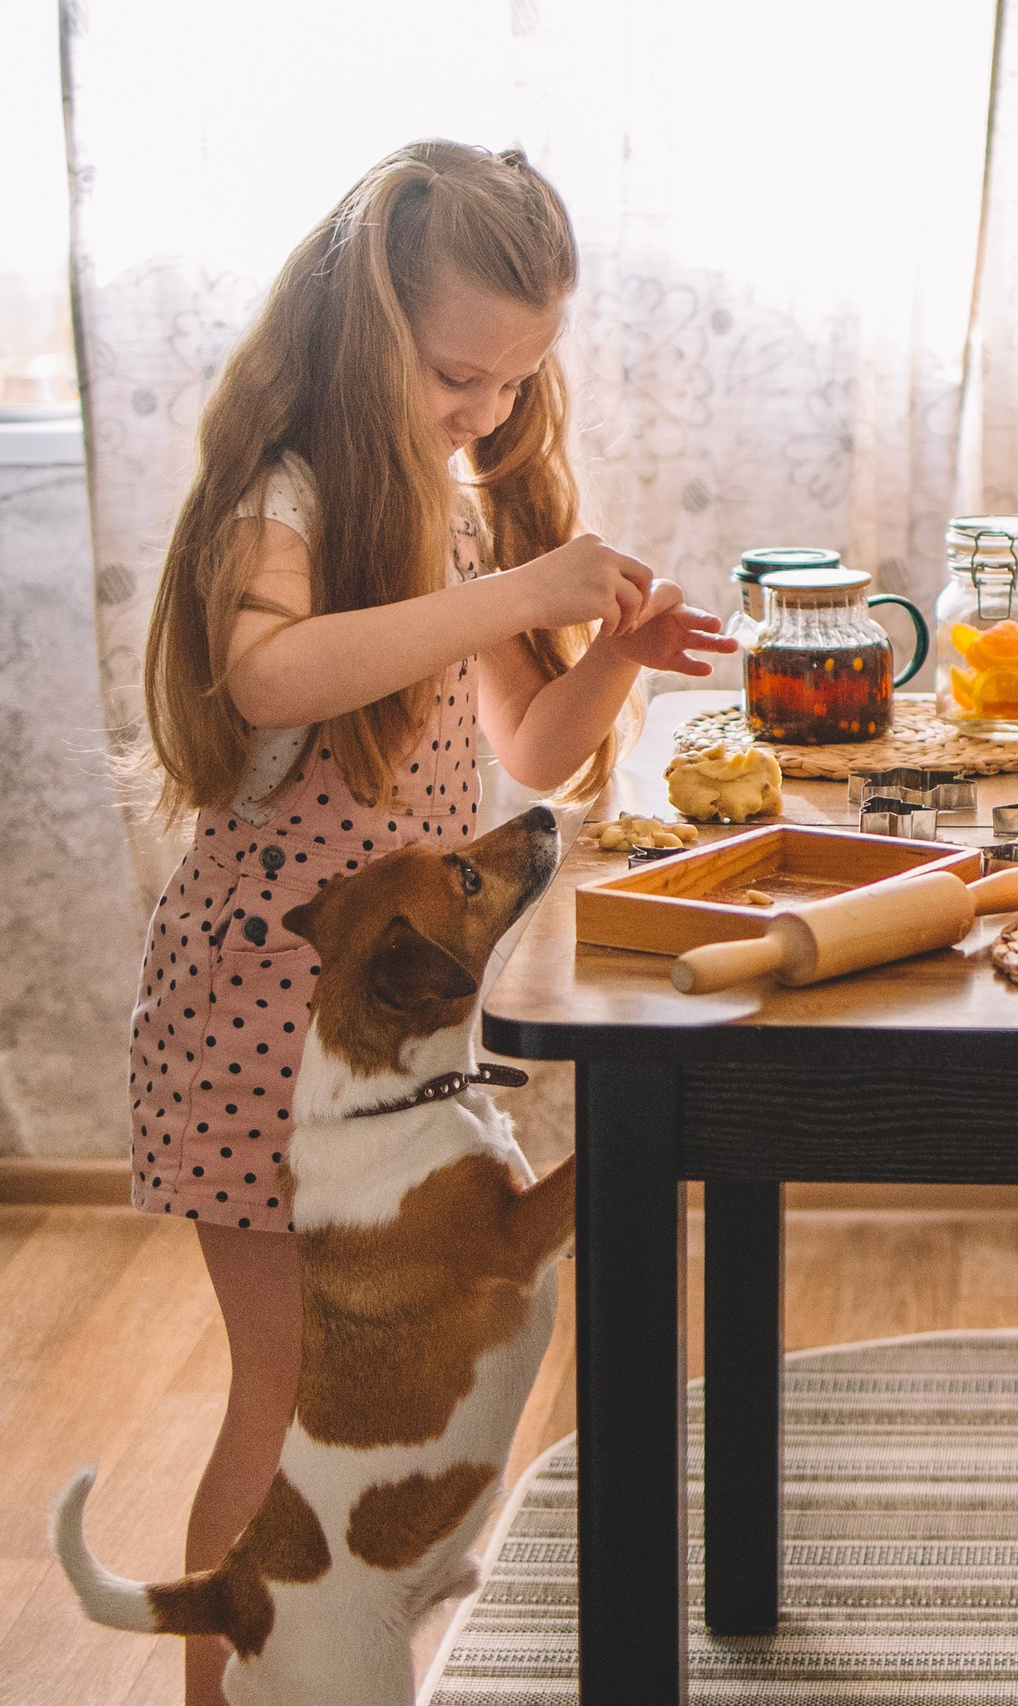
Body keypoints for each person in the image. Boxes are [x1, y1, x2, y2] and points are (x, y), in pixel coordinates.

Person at [128, 139, 733, 1702]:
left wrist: (608, 653)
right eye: (459, 373)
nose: (484, 412)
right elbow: (270, 676)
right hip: (268, 1026)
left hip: (395, 1034)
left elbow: (522, 756)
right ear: (363, 323)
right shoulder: (293, 494)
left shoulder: (453, 509)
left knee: (345, 1397)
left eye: (514, 384)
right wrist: (523, 588)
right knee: (284, 1396)